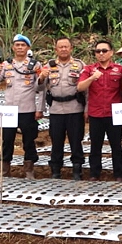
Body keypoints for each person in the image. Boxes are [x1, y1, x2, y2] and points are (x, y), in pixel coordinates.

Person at [0, 34, 45, 178]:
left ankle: (29, 170)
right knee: (6, 140)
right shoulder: (6, 65)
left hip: (27, 109)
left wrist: (40, 109)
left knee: (29, 141)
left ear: (28, 48)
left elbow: (41, 88)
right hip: (9, 110)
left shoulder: (35, 65)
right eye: (17, 45)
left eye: (23, 45)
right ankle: (4, 170)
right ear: (13, 47)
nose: (20, 47)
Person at [78, 39, 122, 181]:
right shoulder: (89, 69)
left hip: (114, 114)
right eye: (97, 51)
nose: (101, 53)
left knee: (116, 145)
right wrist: (92, 78)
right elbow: (80, 87)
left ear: (111, 53)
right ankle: (94, 173)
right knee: (95, 146)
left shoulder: (120, 70)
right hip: (96, 113)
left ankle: (119, 174)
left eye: (104, 51)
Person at [44, 37, 86, 180]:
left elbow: (87, 89)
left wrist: (87, 109)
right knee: (56, 141)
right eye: (60, 47)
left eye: (66, 47)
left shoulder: (79, 65)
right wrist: (41, 77)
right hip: (56, 109)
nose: (63, 49)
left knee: (76, 141)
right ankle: (56, 170)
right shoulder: (49, 66)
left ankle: (77, 170)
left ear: (71, 48)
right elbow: (40, 88)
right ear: (56, 49)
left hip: (75, 108)